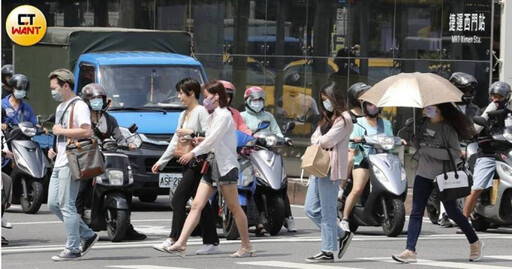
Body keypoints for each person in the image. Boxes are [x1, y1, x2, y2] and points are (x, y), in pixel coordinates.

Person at [165, 80, 253, 258]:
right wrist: (199, 140)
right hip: (212, 163)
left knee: (234, 207)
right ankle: (181, 242)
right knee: (197, 204)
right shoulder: (213, 115)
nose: (205, 100)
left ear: (217, 96)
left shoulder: (224, 115)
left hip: (225, 166)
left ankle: (247, 246)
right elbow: (210, 139)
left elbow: (213, 139)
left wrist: (193, 152)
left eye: (206, 97)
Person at [392, 103, 483, 263]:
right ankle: (410, 250)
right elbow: (420, 147)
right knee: (416, 212)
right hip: (423, 174)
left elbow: (455, 153)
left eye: (431, 107)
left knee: (453, 212)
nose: (428, 110)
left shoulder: (447, 128)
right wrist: (414, 141)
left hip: (443, 177)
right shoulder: (423, 123)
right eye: (427, 107)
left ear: (440, 109)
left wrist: (429, 151)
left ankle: (475, 242)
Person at [151, 77, 220, 255]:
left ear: (191, 93)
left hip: (198, 163)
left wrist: (190, 133)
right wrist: (162, 161)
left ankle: (173, 238)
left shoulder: (201, 112)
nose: (179, 96)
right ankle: (211, 241)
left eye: (181, 93)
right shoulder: (183, 114)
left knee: (178, 198)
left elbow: (210, 136)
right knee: (200, 204)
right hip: (185, 161)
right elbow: (176, 140)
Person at [76, 83, 146, 241]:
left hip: (108, 156)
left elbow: (119, 136)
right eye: (94, 99)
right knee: (82, 188)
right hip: (89, 159)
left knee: (127, 186)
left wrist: (129, 144)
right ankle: (77, 225)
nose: (98, 102)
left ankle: (126, 225)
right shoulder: (84, 118)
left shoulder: (109, 119)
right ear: (86, 101)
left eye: (100, 98)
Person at [46, 69, 98, 261]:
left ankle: (73, 247)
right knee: (53, 204)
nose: (53, 91)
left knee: (66, 204)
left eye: (55, 88)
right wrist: (55, 147)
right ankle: (87, 234)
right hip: (60, 159)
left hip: (71, 160)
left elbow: (87, 131)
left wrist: (63, 130)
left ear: (65, 86)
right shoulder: (61, 107)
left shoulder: (80, 106)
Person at [304, 81, 354, 263]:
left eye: (326, 99)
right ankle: (341, 234)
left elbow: (326, 141)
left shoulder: (344, 119)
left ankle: (327, 251)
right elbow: (314, 137)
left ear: (335, 99)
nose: (324, 103)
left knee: (327, 212)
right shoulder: (326, 118)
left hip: (331, 170)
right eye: (322, 100)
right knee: (310, 209)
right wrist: (319, 139)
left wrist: (320, 139)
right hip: (318, 168)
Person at [240, 86, 296, 234]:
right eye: (255, 99)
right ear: (248, 101)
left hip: (268, 153)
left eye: (260, 99)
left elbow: (276, 132)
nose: (258, 102)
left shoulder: (268, 116)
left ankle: (288, 216)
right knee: (251, 184)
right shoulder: (242, 116)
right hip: (248, 155)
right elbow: (240, 133)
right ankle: (255, 219)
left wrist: (285, 139)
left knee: (280, 181)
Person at [434, 72, 479, 228]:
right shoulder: (443, 108)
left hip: (469, 147)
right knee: (447, 177)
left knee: (473, 176)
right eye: (463, 90)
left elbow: (478, 128)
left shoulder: (475, 109)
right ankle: (444, 214)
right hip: (448, 147)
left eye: (469, 91)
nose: (467, 94)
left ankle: (471, 211)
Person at [340, 100, 393, 229]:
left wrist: (398, 140)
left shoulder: (386, 123)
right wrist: (356, 140)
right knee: (358, 189)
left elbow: (390, 140)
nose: (373, 107)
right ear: (364, 107)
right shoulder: (359, 123)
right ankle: (345, 219)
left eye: (375, 104)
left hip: (381, 160)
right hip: (363, 159)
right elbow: (352, 144)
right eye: (370, 104)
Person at [463, 81, 512, 221]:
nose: (496, 99)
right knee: (478, 186)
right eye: (493, 96)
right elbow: (474, 130)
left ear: (507, 97)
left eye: (500, 97)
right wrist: (487, 112)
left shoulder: (509, 114)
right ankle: (464, 219)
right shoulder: (483, 111)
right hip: (488, 154)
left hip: (506, 153)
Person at [340, 82, 371, 201]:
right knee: (351, 155)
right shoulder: (347, 115)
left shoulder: (371, 114)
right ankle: (341, 187)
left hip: (368, 148)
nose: (365, 97)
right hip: (351, 147)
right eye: (362, 95)